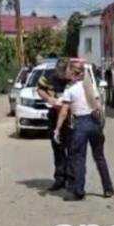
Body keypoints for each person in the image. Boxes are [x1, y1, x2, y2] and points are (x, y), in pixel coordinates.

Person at [55, 61, 114, 201]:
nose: (67, 74)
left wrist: (57, 129)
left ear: (72, 73)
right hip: (94, 123)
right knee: (99, 157)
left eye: (68, 71)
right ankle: (108, 188)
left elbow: (64, 112)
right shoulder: (89, 86)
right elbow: (99, 106)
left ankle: (79, 191)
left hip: (80, 125)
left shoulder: (70, 90)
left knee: (79, 159)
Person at [37, 58, 74, 191]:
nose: (61, 76)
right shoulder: (49, 76)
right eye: (59, 73)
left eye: (63, 73)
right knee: (57, 149)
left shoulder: (74, 79)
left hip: (70, 119)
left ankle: (71, 179)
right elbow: (40, 89)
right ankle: (59, 179)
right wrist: (49, 99)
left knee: (71, 150)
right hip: (54, 116)